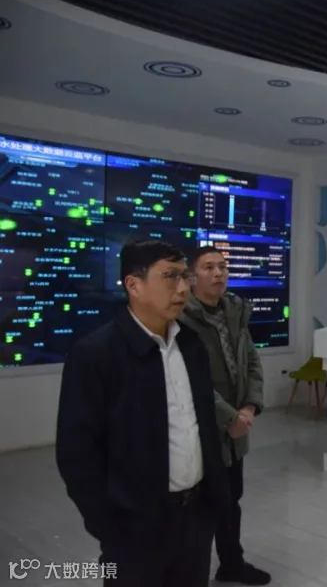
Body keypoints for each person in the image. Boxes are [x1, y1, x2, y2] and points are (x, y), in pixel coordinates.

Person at [56, 239, 229, 587]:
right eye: (169, 276)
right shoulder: (96, 355)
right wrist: (109, 526)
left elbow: (205, 427)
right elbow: (77, 454)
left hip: (195, 518)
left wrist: (214, 499)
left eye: (184, 276)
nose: (183, 288)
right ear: (134, 285)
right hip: (134, 530)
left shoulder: (191, 344)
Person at [179, 245, 271, 586]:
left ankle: (231, 563)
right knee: (204, 507)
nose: (218, 273)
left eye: (222, 266)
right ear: (191, 277)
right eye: (208, 267)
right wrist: (229, 417)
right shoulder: (182, 319)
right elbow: (192, 380)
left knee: (231, 501)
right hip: (204, 430)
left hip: (237, 430)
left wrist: (249, 407)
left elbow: (252, 362)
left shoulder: (234, 312)